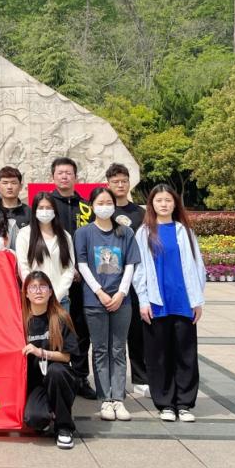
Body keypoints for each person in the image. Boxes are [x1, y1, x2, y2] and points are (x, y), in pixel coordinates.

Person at [134, 184, 206, 423]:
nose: (163, 204)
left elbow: (197, 265)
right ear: (151, 204)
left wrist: (197, 300)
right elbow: (139, 269)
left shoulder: (184, 231)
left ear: (175, 203)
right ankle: (165, 403)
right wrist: (143, 300)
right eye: (159, 200)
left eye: (168, 200)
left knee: (185, 354)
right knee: (158, 356)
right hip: (157, 303)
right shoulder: (144, 232)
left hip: (183, 301)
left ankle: (184, 403)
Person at [75, 187, 140, 422]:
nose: (104, 207)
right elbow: (82, 265)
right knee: (100, 349)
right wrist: (99, 292)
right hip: (95, 301)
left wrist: (121, 292)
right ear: (92, 206)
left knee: (118, 349)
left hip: (122, 300)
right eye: (100, 203)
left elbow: (131, 264)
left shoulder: (125, 232)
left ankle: (119, 399)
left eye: (108, 202)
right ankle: (105, 399)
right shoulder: (83, 233)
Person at [47, 157, 96, 400]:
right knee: (55, 327)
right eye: (60, 173)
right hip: (55, 281)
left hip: (82, 281)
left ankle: (80, 376)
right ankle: (55, 376)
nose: (64, 176)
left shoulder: (86, 207)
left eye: (69, 173)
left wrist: (81, 270)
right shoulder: (47, 205)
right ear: (53, 177)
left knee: (81, 329)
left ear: (76, 177)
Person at [21, 270, 79, 451]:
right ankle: (48, 412)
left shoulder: (60, 317)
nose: (38, 291)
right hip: (35, 383)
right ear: (26, 293)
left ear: (50, 291)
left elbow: (67, 356)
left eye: (43, 287)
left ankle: (64, 427)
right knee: (34, 419)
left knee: (56, 371)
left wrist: (41, 352)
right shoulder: (21, 320)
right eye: (33, 287)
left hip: (59, 378)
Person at [105, 162, 149, 398]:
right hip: (110, 280)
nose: (120, 185)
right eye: (115, 182)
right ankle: (113, 378)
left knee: (137, 332)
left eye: (124, 181)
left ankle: (141, 377)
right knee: (111, 336)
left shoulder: (140, 213)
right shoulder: (103, 210)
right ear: (108, 184)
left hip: (135, 281)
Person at [15, 192, 75, 310]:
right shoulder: (24, 234)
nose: (45, 211)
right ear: (34, 211)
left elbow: (69, 269)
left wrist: (56, 296)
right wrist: (36, 292)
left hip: (61, 300)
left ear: (55, 211)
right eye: (41, 208)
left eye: (48, 208)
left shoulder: (65, 236)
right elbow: (23, 267)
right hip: (35, 300)